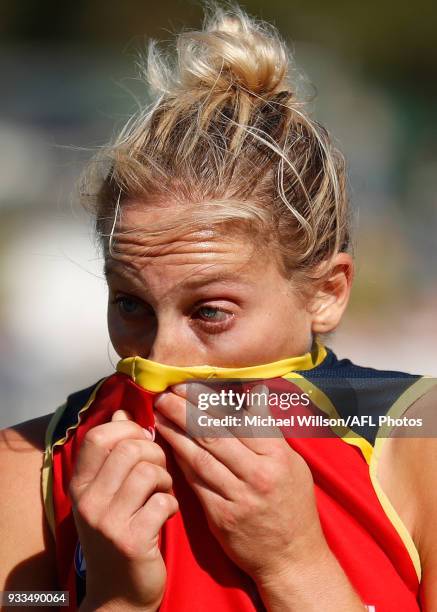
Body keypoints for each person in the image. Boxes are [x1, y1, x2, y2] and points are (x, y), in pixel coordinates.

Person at [1, 5, 436, 611]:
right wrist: (114, 598)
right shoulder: (28, 467)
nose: (160, 357)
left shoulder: (418, 437)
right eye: (131, 304)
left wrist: (294, 562)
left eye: (210, 312)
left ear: (327, 292)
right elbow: (33, 601)